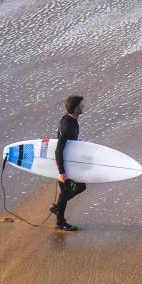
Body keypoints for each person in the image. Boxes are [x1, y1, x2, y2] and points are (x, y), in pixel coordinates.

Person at [50, 95, 87, 231]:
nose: (83, 107)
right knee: (70, 191)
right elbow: (58, 150)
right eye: (81, 105)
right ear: (76, 109)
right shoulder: (68, 126)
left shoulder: (70, 119)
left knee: (76, 188)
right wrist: (61, 172)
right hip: (64, 163)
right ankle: (60, 223)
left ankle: (58, 209)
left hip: (69, 160)